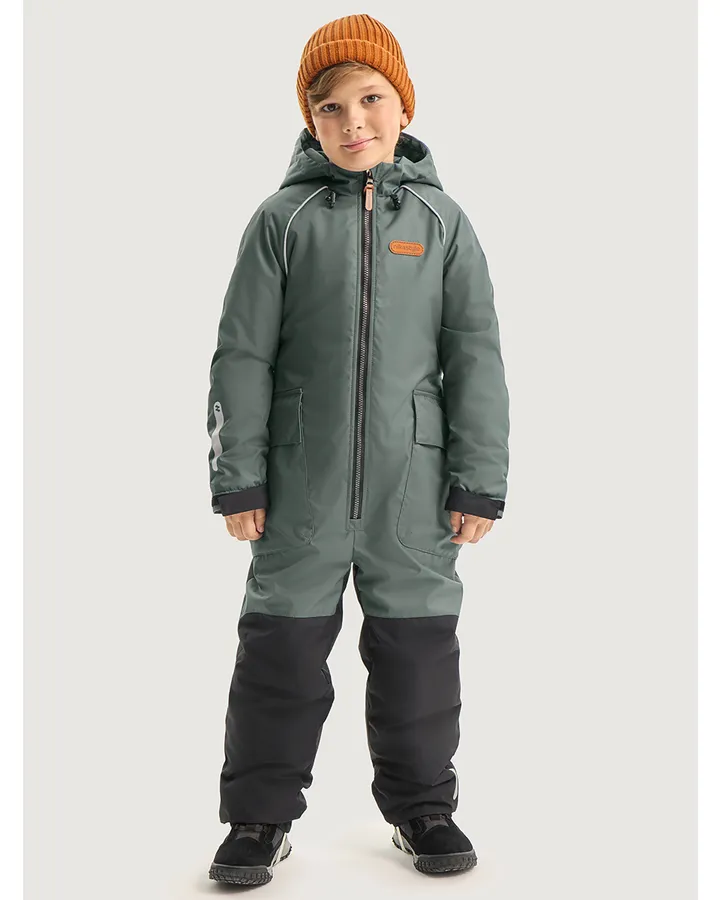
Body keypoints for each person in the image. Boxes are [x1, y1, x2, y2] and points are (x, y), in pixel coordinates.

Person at [206, 13, 510, 886]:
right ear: (310, 120)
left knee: (417, 658)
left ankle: (424, 809)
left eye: (371, 99)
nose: (353, 122)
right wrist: (239, 478)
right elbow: (242, 355)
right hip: (299, 487)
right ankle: (258, 820)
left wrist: (478, 480)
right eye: (330, 107)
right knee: (280, 656)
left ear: (403, 105)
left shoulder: (443, 223)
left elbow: (475, 354)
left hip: (413, 490)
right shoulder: (282, 220)